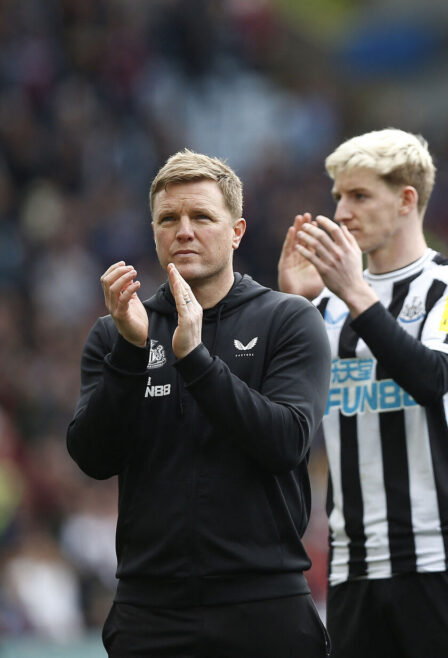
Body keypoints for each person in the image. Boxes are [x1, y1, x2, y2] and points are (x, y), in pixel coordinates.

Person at [66, 150, 332, 657]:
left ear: (236, 230)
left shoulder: (289, 320)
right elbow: (91, 457)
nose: (183, 230)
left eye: (202, 217)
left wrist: (195, 360)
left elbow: (286, 443)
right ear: (154, 231)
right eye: (169, 219)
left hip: (264, 606)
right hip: (150, 612)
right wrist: (129, 351)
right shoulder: (118, 332)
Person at [277, 128, 448, 657]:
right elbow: (280, 422)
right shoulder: (323, 307)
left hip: (443, 558)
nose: (341, 212)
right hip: (352, 567)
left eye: (359, 196)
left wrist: (357, 295)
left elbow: (432, 377)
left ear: (407, 200)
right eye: (337, 196)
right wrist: (291, 310)